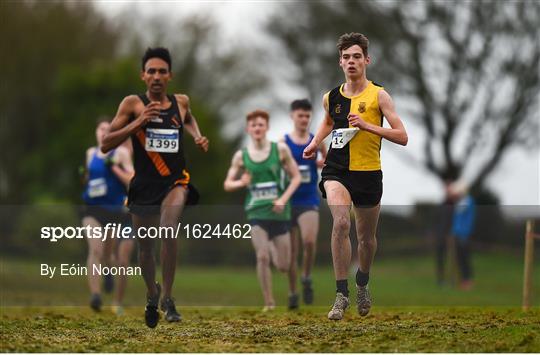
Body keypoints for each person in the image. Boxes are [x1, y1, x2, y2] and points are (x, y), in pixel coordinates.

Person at [101, 47, 209, 328]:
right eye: (152, 71)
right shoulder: (132, 104)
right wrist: (138, 122)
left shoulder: (181, 102)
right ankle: (152, 294)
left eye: (162, 71)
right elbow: (106, 143)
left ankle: (169, 299)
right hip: (144, 185)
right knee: (145, 248)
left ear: (170, 75)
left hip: (175, 181)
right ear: (143, 75)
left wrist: (197, 136)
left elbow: (189, 118)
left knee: (168, 229)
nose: (157, 76)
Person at [303, 33, 408, 320]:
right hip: (337, 170)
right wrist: (314, 143)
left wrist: (368, 126)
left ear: (366, 61)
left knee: (366, 240)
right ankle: (341, 295)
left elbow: (402, 136)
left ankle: (362, 283)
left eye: (356, 57)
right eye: (346, 57)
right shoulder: (331, 97)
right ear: (340, 62)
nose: (351, 61)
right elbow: (327, 122)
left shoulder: (379, 95)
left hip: (369, 174)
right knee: (340, 222)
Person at [224, 109, 301, 311]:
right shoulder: (242, 156)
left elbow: (296, 178)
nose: (257, 128)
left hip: (279, 212)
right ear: (248, 129)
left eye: (261, 124)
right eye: (253, 125)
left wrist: (283, 199)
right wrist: (241, 181)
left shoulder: (280, 150)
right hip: (256, 212)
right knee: (262, 257)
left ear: (266, 127)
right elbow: (227, 184)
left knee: (284, 266)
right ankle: (269, 301)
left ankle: (274, 248)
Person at [81, 118, 134, 313]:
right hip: (93, 209)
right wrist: (85, 178)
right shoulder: (90, 153)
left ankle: (109, 272)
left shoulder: (120, 153)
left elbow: (132, 179)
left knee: (107, 254)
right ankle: (95, 295)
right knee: (95, 249)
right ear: (96, 132)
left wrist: (115, 167)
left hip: (115, 211)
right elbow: (89, 178)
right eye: (101, 128)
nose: (104, 132)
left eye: (108, 129)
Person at [280, 99, 326, 309]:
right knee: (291, 253)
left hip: (309, 198)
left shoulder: (316, 140)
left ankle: (306, 276)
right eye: (300, 115)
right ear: (292, 116)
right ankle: (292, 292)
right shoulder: (283, 142)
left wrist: (321, 163)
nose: (304, 119)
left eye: (307, 116)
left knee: (309, 242)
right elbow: (274, 166)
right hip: (288, 200)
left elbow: (329, 161)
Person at [449, 182, 476, 290]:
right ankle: (463, 280)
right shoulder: (461, 202)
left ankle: (468, 281)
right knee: (460, 258)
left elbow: (460, 212)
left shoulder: (468, 201)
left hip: (464, 234)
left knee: (465, 258)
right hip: (457, 233)